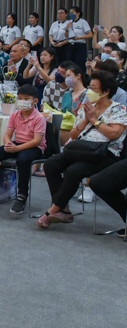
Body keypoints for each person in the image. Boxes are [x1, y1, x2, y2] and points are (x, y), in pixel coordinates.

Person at [37, 70, 127, 229]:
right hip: (81, 149)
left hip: (104, 154)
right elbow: (74, 134)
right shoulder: (87, 107)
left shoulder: (119, 109)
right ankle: (63, 209)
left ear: (105, 92)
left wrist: (95, 120)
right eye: (89, 87)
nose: (90, 92)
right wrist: (86, 119)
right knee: (51, 164)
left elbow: (114, 134)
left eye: (94, 88)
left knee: (74, 171)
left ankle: (54, 210)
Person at [0, 84, 47, 214]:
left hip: (34, 147)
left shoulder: (39, 118)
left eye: (26, 99)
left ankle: (22, 196)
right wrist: (8, 144)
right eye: (20, 98)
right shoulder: (15, 114)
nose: (22, 101)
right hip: (17, 143)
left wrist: (17, 148)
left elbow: (37, 140)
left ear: (35, 101)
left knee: (23, 160)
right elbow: (8, 134)